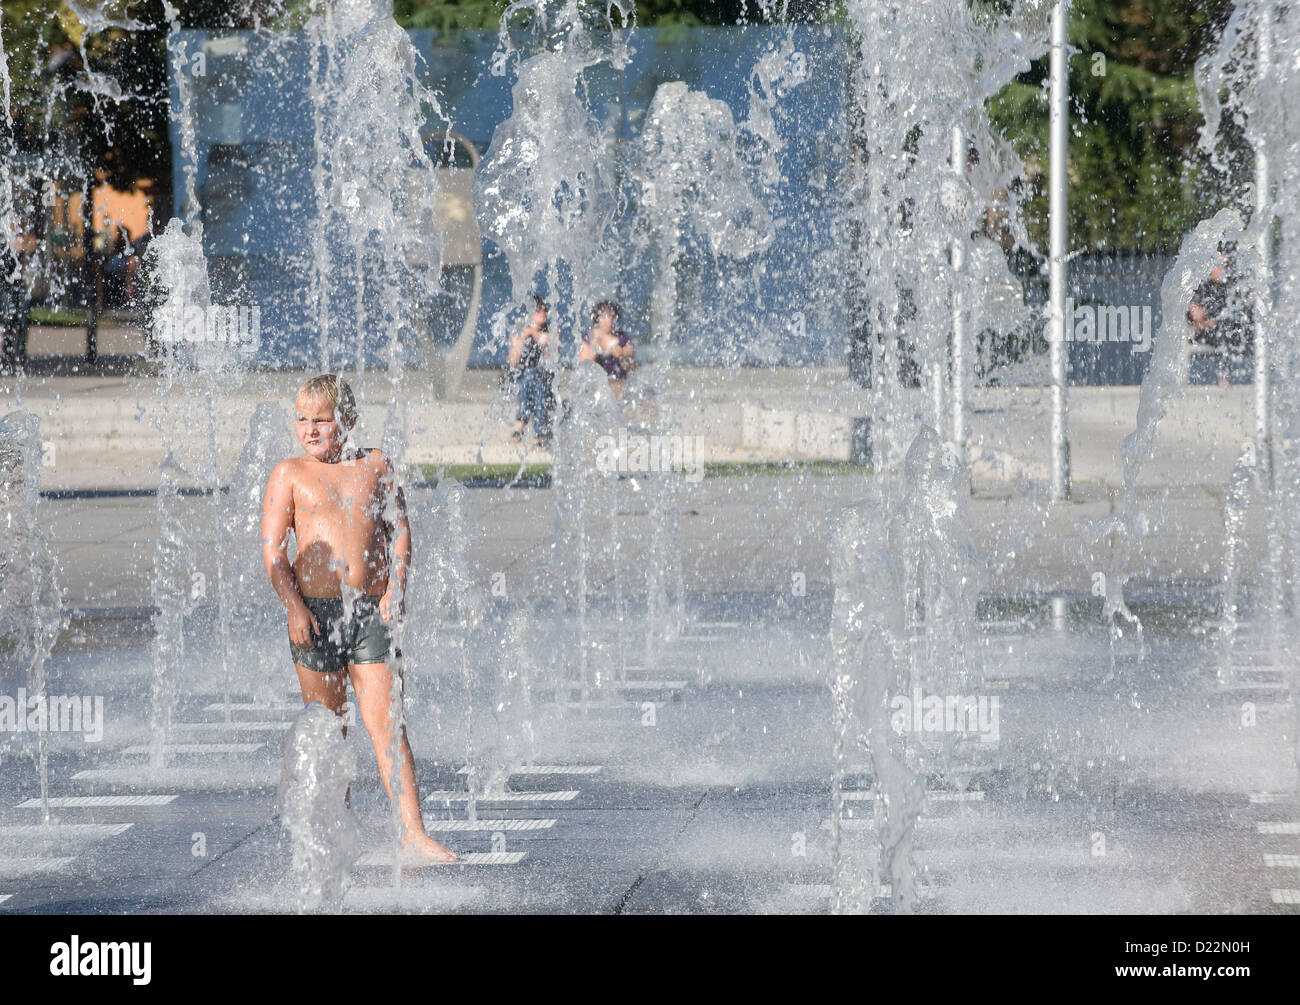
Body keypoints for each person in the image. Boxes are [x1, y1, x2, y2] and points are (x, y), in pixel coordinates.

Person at [261, 374, 458, 864]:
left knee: (387, 724)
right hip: (316, 616)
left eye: (321, 420)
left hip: (370, 611)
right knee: (330, 734)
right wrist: (294, 608)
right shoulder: (289, 473)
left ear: (345, 420)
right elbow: (273, 553)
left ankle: (413, 832)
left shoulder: (375, 464)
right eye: (302, 419)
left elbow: (401, 532)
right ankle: (336, 834)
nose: (310, 429)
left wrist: (397, 586)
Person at [1188, 251, 1254, 388]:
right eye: (1219, 266)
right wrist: (1207, 322)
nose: (1223, 270)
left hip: (1228, 329)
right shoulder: (1202, 285)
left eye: (1225, 266)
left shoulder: (1231, 285)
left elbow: (1247, 302)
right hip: (1205, 331)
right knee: (1221, 330)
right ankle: (1224, 376)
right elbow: (1195, 314)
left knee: (1231, 328)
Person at [508, 295, 554, 447]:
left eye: (544, 310)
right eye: (538, 310)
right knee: (530, 377)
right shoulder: (520, 330)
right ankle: (539, 435)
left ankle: (520, 423)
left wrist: (540, 338)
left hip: (545, 378)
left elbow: (552, 357)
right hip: (523, 378)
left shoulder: (550, 331)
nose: (542, 313)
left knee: (536, 378)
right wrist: (523, 339)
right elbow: (513, 361)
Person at [578, 300, 636, 400]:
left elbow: (633, 367)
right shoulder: (589, 337)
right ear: (597, 318)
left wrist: (622, 356)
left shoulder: (622, 338)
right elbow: (583, 363)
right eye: (604, 316)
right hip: (595, 387)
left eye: (612, 316)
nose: (609, 320)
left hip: (618, 385)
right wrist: (597, 349)